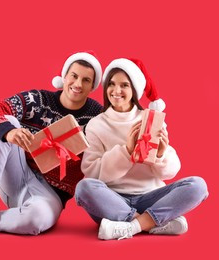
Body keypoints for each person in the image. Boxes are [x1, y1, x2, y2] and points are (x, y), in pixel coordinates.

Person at [0, 51, 103, 240]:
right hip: (17, 173)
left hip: (51, 195)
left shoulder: (98, 117)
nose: (78, 84)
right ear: (64, 77)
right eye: (74, 76)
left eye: (86, 80)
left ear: (92, 87)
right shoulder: (37, 100)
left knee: (34, 221)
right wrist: (9, 131)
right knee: (5, 122)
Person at [74, 58, 209, 240]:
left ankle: (130, 227)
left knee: (198, 185)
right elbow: (93, 173)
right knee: (84, 188)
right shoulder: (96, 125)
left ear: (134, 90)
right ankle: (152, 224)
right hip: (113, 200)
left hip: (151, 196)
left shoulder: (150, 119)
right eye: (112, 84)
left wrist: (161, 153)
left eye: (124, 85)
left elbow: (170, 173)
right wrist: (127, 151)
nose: (116, 91)